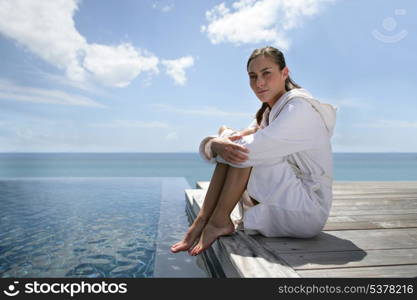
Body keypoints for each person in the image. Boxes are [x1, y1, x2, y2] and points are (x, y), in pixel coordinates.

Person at [171, 46, 337, 256]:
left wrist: (215, 144)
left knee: (243, 151)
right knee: (236, 145)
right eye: (253, 76)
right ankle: (204, 219)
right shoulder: (270, 111)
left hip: (307, 210)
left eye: (266, 73)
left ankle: (218, 220)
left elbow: (245, 150)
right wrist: (217, 142)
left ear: (284, 73)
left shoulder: (298, 110)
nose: (259, 83)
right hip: (291, 198)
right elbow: (236, 139)